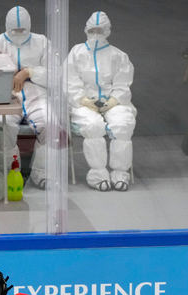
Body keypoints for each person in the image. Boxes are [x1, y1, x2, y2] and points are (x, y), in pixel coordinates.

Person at [0, 6, 51, 189]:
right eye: (15, 30)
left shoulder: (42, 42)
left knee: (48, 124)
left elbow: (55, 73)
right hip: (7, 94)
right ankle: (11, 172)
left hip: (37, 93)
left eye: (22, 30)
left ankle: (42, 174)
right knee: (4, 126)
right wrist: (4, 77)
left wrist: (29, 72)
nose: (19, 34)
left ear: (29, 26)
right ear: (7, 27)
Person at [67, 12, 136, 192]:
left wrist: (113, 100)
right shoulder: (77, 52)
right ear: (86, 30)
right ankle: (98, 174)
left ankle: (120, 174)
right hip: (84, 103)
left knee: (123, 125)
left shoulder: (118, 56)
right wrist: (82, 99)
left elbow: (123, 84)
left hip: (113, 102)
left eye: (100, 30)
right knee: (93, 126)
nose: (96, 34)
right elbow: (69, 81)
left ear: (107, 31)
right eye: (93, 30)